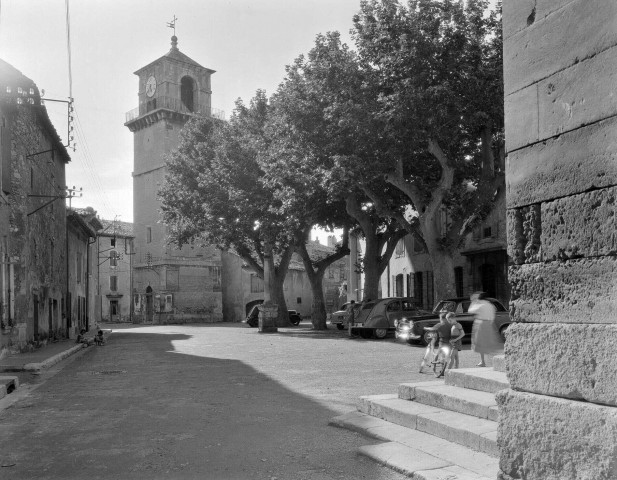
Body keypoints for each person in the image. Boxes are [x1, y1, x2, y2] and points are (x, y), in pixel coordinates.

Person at [468, 291, 503, 367]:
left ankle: (483, 361)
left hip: (480, 323)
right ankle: (495, 361)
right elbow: (493, 314)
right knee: (491, 343)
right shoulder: (490, 305)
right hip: (490, 323)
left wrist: (473, 301)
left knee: (480, 344)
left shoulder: (480, 304)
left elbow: (470, 311)